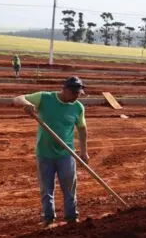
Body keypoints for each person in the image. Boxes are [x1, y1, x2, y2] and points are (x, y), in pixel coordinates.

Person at [12, 77, 89, 225]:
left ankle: (71, 217)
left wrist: (84, 151)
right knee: (46, 189)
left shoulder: (78, 107)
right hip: (44, 153)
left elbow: (82, 128)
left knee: (69, 189)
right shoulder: (45, 98)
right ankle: (48, 218)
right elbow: (17, 99)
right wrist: (27, 104)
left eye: (79, 93)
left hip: (67, 154)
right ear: (65, 90)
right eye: (74, 93)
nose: (77, 96)